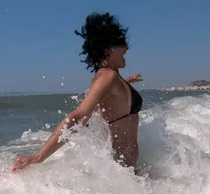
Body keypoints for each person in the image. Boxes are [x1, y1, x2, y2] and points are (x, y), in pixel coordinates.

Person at [12, 12, 143, 171]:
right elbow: (78, 116)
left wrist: (127, 83)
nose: (126, 47)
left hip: (128, 175)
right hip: (124, 176)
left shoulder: (110, 78)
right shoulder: (107, 78)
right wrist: (37, 157)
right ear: (109, 48)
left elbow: (107, 103)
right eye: (122, 42)